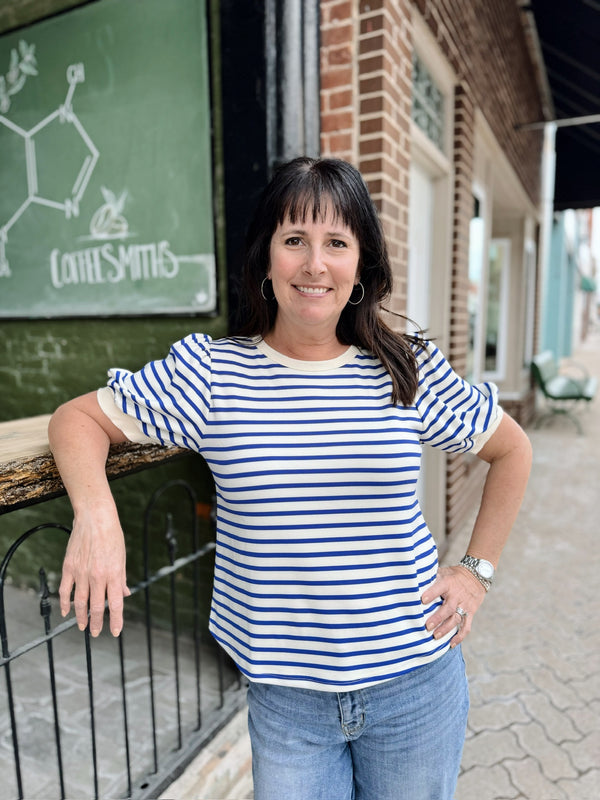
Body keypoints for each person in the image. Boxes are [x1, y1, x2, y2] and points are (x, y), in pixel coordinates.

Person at [48, 157, 532, 800]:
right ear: (267, 257)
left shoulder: (405, 371)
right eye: (295, 239)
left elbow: (513, 450)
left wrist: (475, 572)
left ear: (361, 264)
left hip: (416, 686)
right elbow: (75, 421)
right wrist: (97, 516)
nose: (314, 264)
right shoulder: (211, 374)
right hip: (288, 703)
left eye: (337, 243)